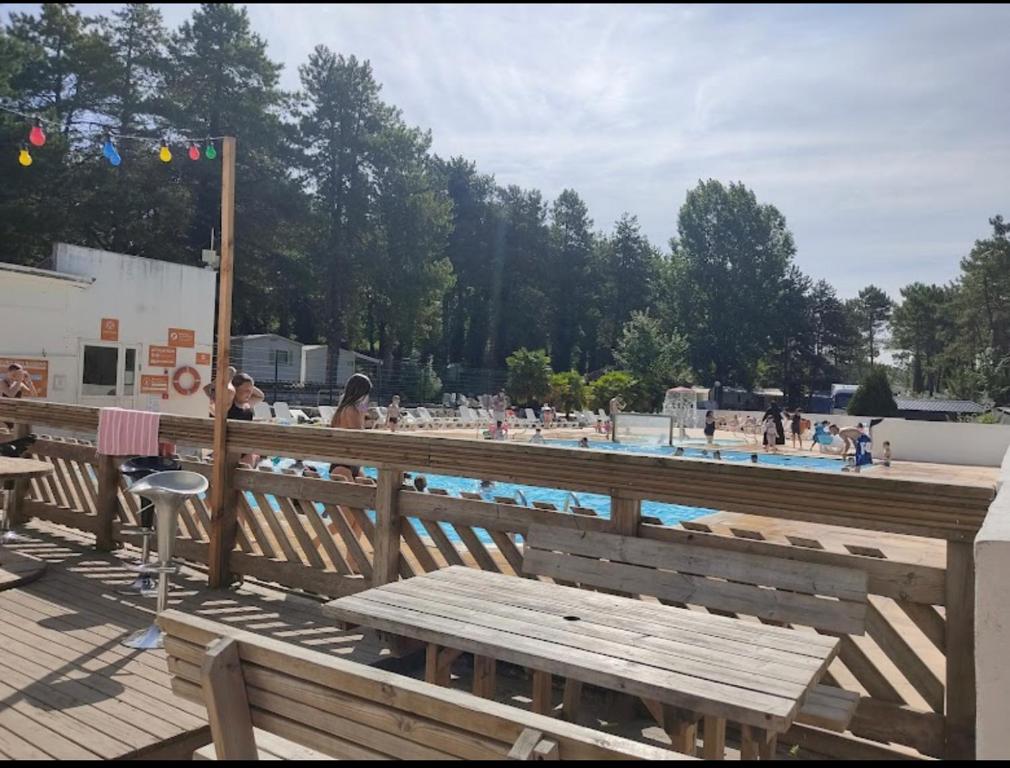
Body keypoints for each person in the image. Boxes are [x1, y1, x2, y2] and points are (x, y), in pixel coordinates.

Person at [328, 373, 372, 480]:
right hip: (345, 461)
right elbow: (359, 434)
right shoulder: (350, 409)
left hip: (346, 460)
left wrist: (362, 410)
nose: (367, 397)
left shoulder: (343, 408)